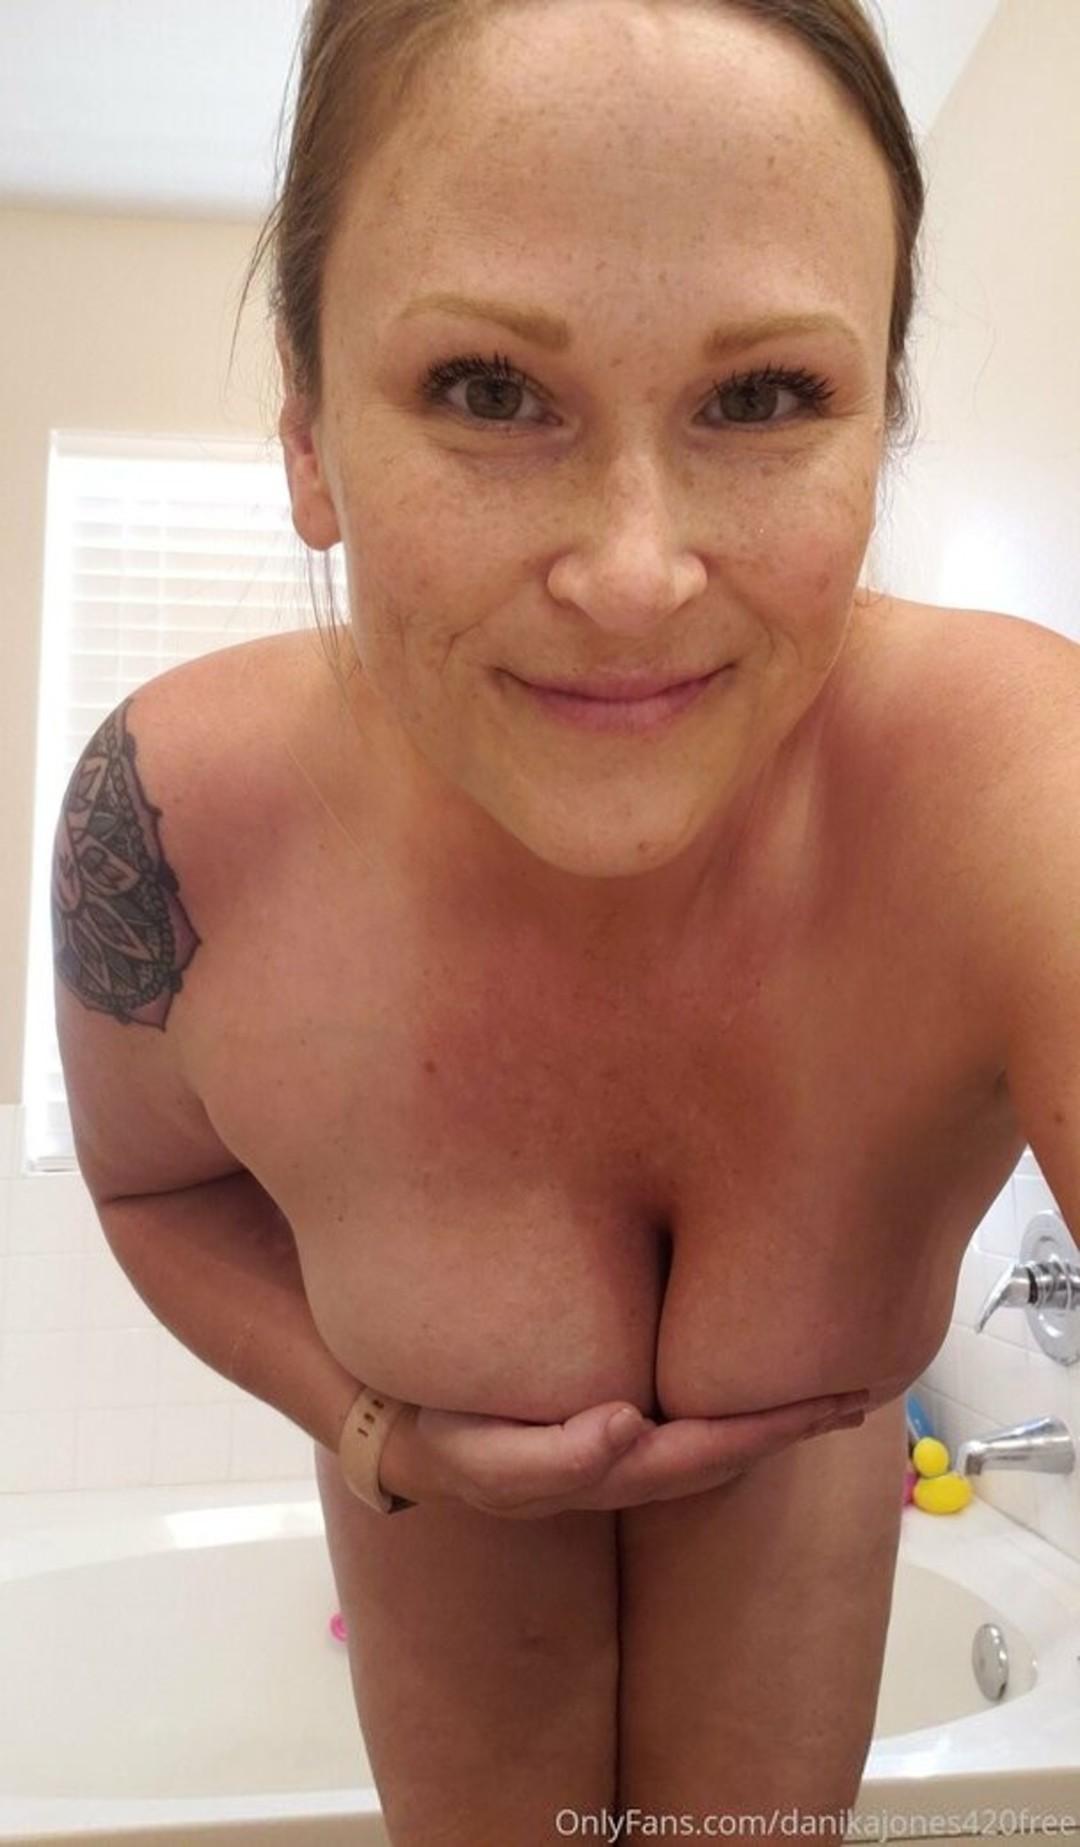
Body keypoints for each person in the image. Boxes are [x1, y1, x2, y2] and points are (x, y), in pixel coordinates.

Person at [53, 1, 1080, 1843]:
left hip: (805, 1498)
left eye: (762, 399)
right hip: (424, 1517)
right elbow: (149, 1193)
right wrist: (375, 1428)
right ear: (307, 431)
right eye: (486, 389)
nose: (631, 576)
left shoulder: (1021, 796)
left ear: (881, 426)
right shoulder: (178, 822)